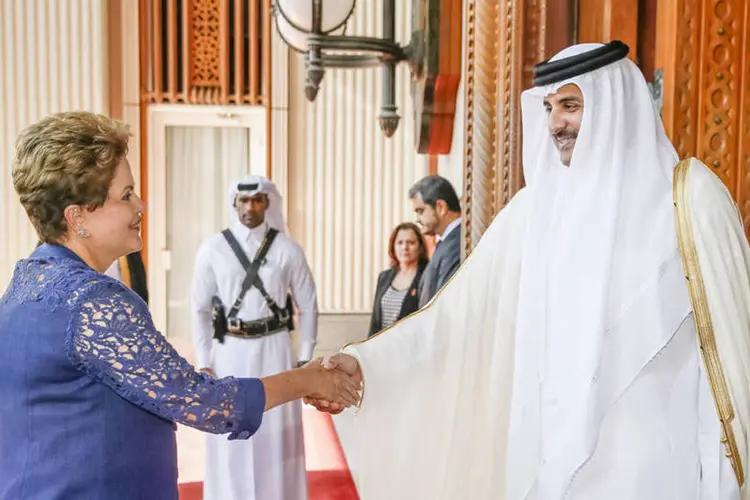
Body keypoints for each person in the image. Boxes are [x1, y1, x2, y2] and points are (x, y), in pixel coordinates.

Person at [307, 42, 750, 499]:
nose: (557, 122)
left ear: (614, 104)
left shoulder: (689, 200)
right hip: (550, 461)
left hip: (656, 468)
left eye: (571, 105)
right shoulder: (531, 213)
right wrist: (366, 366)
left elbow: (734, 355)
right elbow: (455, 318)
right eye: (550, 107)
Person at [0, 111, 359, 500]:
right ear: (78, 216)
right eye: (125, 195)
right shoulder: (94, 302)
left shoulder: (27, 281)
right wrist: (310, 378)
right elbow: (207, 403)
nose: (141, 205)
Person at [191, 174, 318, 500]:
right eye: (244, 200)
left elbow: (308, 304)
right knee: (230, 428)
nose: (250, 206)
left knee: (277, 431)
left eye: (257, 200)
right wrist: (204, 362)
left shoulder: (288, 249)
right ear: (234, 203)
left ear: (267, 203)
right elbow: (200, 309)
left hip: (275, 348)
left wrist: (304, 358)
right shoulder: (213, 249)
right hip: (230, 351)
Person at [408, 175, 462, 307]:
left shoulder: (458, 241)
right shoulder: (447, 241)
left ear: (441, 207)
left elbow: (445, 303)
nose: (418, 219)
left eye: (421, 211)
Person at [368, 222, 429, 337]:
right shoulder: (384, 277)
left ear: (420, 247)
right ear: (393, 246)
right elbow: (375, 321)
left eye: (411, 243)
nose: (404, 247)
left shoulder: (425, 277)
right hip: (382, 348)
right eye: (400, 243)